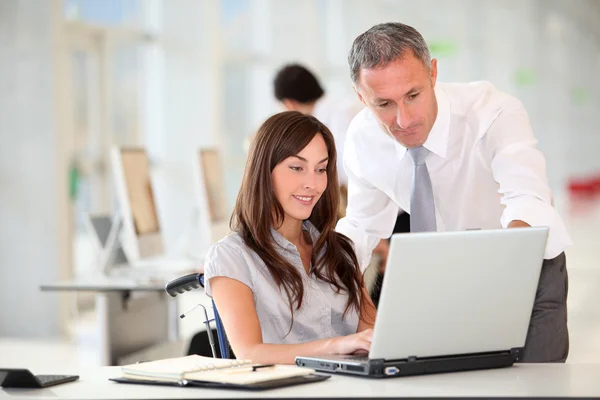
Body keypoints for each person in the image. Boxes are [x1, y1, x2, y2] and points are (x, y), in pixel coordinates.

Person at [336, 22, 571, 363]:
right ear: (361, 97)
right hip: (438, 276)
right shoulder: (363, 138)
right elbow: (361, 226)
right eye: (384, 103)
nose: (403, 120)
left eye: (412, 96)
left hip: (523, 263)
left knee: (533, 383)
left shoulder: (493, 112)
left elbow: (528, 199)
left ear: (433, 73)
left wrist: (498, 277)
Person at [203, 111, 376, 364]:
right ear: (264, 171)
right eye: (297, 168)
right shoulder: (232, 257)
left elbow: (375, 337)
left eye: (321, 169)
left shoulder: (341, 251)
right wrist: (339, 345)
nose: (313, 183)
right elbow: (250, 353)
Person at [274, 64, 409, 295]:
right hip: (388, 209)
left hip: (389, 214)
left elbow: (358, 178)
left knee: (386, 294)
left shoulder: (337, 119)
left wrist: (374, 234)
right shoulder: (342, 108)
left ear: (289, 103)